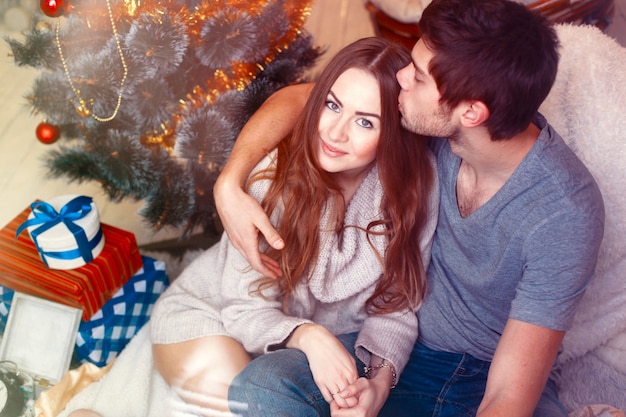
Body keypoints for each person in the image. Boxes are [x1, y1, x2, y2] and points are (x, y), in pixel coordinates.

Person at [214, 0, 605, 416]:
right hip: (395, 347)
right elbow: (303, 100)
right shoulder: (428, 121)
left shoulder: (564, 213)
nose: (402, 77)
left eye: (417, 76)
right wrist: (230, 182)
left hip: (483, 378)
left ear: (471, 111)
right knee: (262, 388)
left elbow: (508, 394)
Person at [150, 37, 438, 416]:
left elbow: (396, 306)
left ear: (394, 133)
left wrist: (380, 382)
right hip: (212, 314)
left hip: (289, 355)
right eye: (332, 105)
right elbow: (242, 306)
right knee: (253, 408)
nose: (335, 133)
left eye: (365, 121)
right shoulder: (271, 179)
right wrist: (308, 336)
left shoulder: (414, 187)